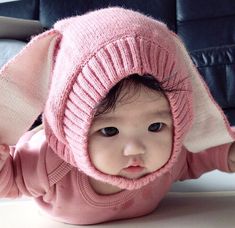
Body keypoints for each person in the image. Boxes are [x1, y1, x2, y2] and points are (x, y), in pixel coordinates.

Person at [0, 7, 235, 225]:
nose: (135, 149)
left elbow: (202, 152)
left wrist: (228, 152)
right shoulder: (46, 164)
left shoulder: (171, 157)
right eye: (109, 130)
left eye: (155, 126)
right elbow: (11, 181)